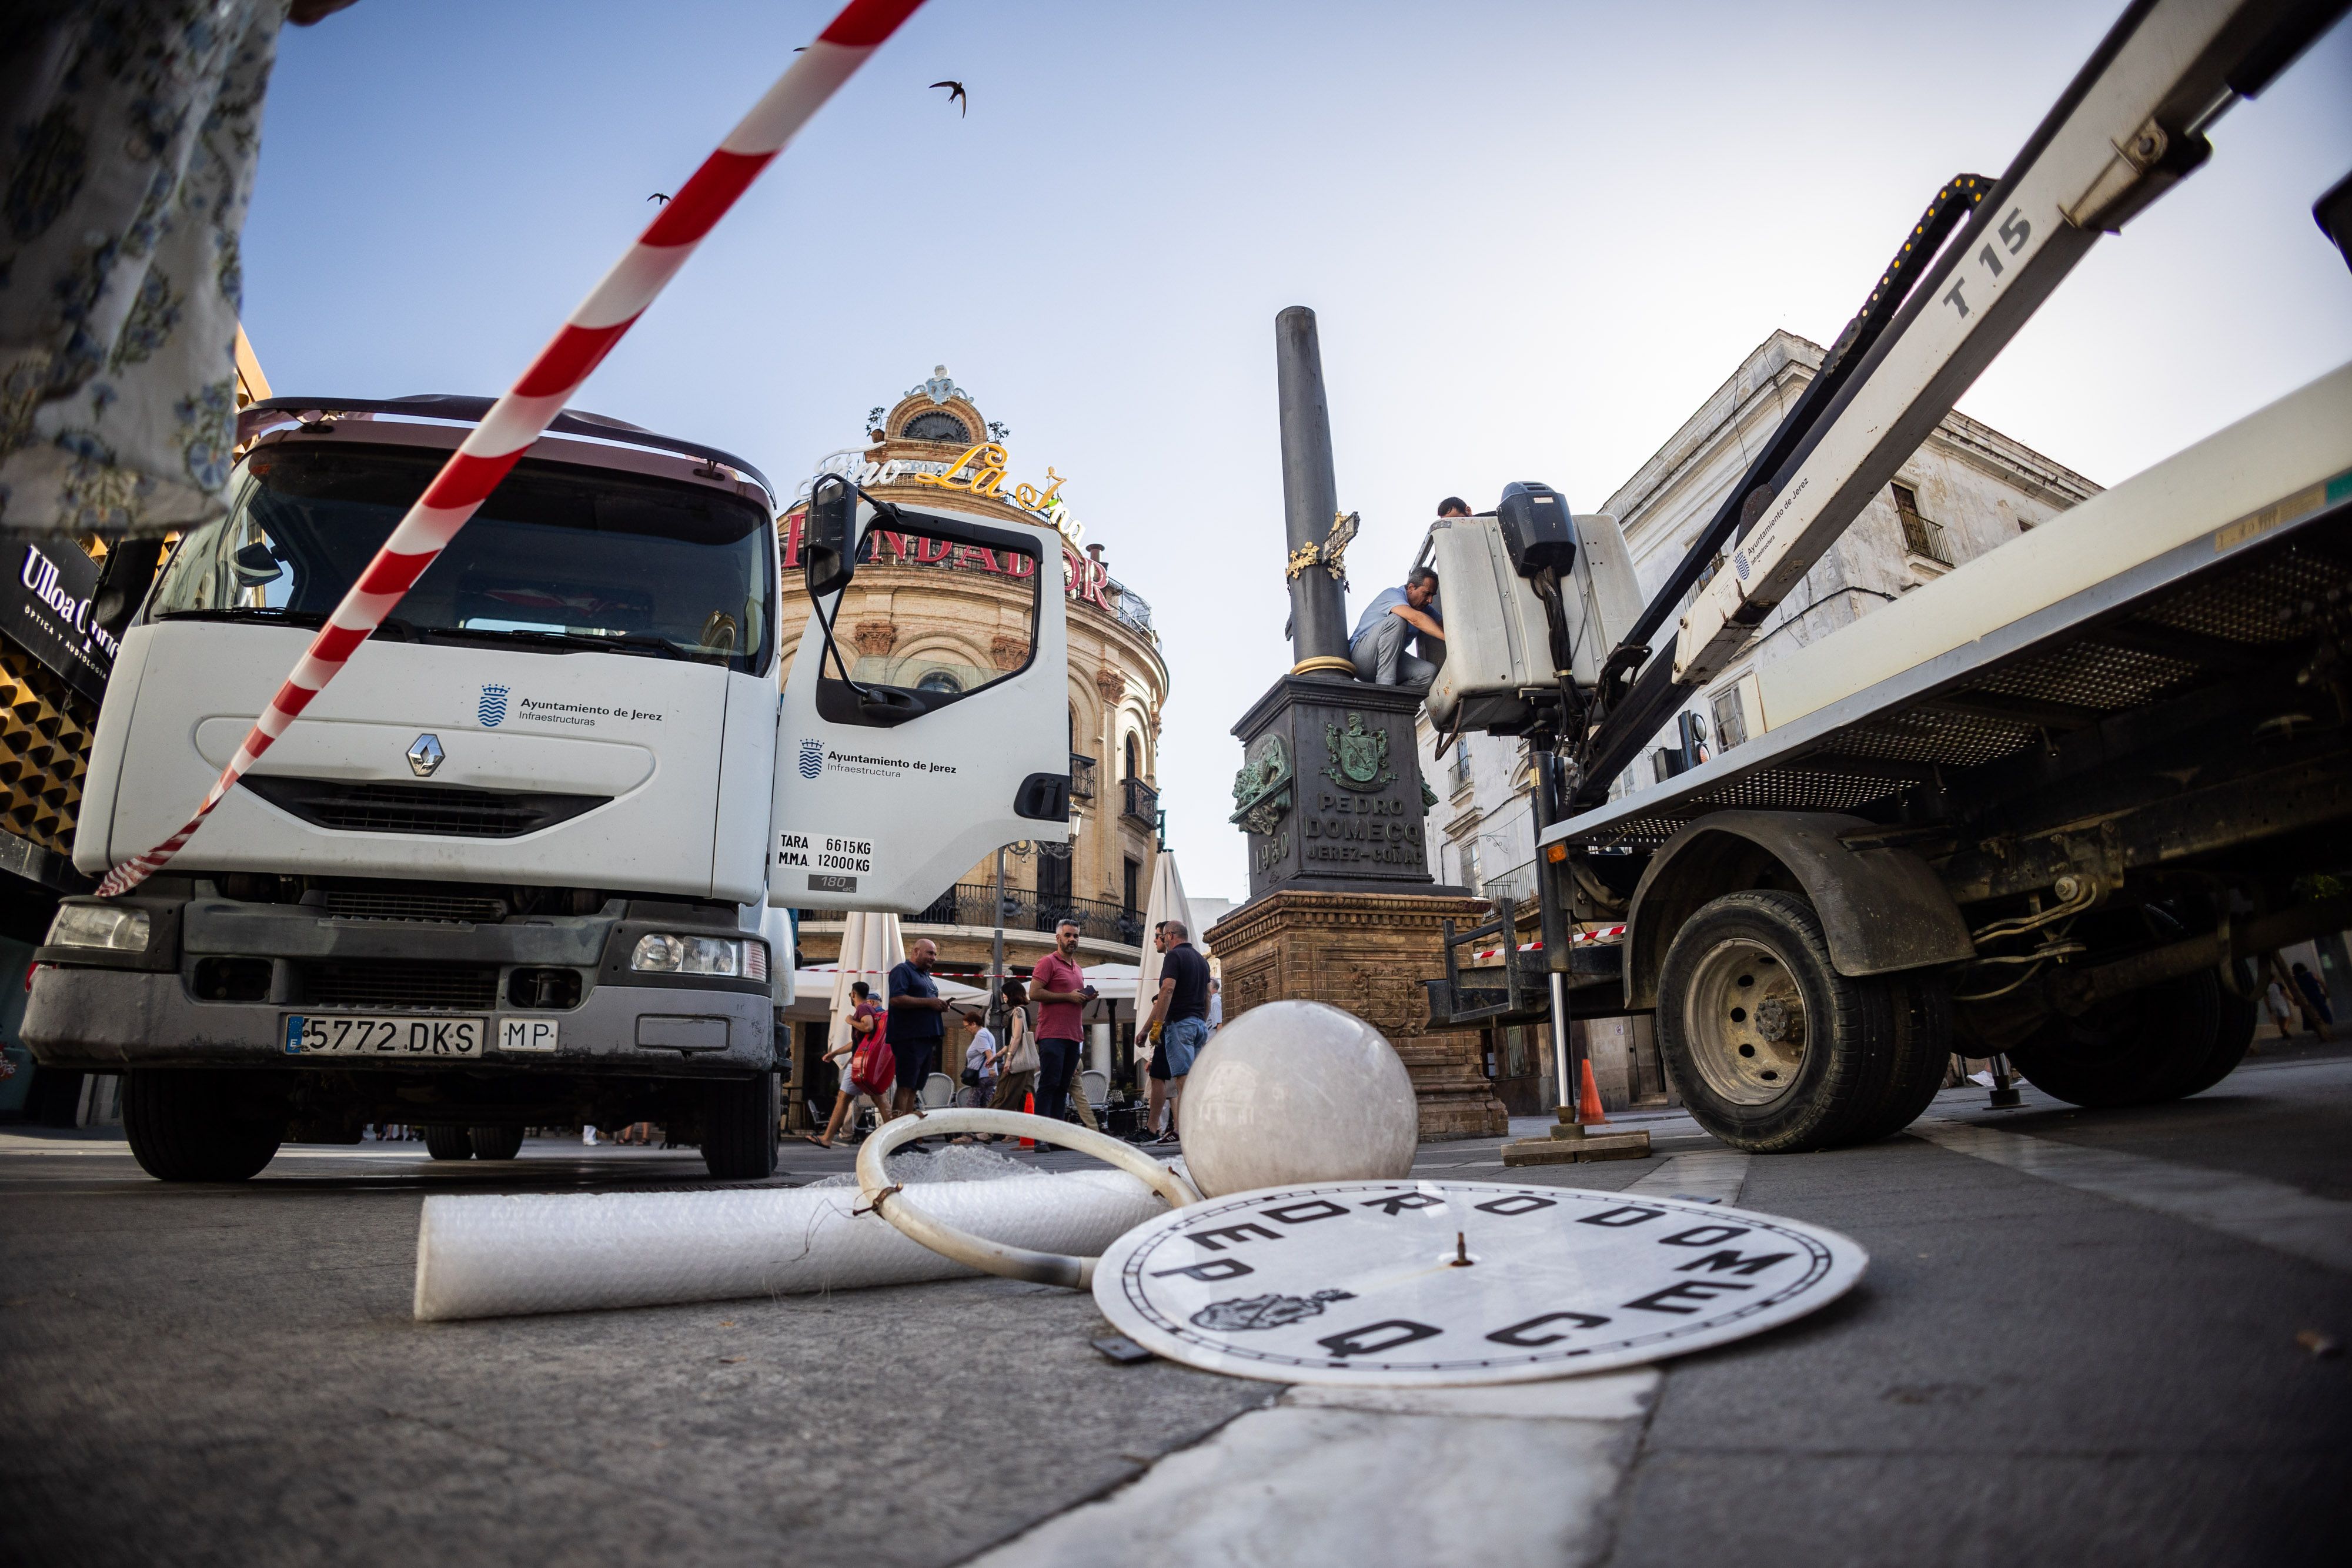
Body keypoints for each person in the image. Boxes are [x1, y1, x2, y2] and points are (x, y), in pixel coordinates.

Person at [1141, 920, 1213, 1145]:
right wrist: (1200, 1020)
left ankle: (1185, 1132)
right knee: (1192, 1078)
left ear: (1170, 936)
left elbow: (1167, 989)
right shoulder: (1202, 961)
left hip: (1179, 1024)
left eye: (1162, 936)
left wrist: (1156, 1027)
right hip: (1198, 1025)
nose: (1160, 939)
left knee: (1184, 1081)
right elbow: (1208, 996)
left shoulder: (1174, 957)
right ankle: (1190, 1129)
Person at [1030, 919, 1096, 1124]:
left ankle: (1057, 1138)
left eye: (1076, 936)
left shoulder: (1078, 969)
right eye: (1068, 935)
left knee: (1063, 1087)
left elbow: (1075, 1003)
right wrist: (1068, 996)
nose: (1072, 939)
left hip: (1074, 1036)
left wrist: (1083, 999)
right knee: (1049, 1084)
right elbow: (1034, 993)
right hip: (1052, 1035)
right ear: (1058, 938)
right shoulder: (1047, 962)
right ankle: (1040, 1136)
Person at [806, 980, 886, 1148]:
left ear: (854, 994)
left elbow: (868, 1027)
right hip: (864, 1060)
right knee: (878, 1099)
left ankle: (828, 1137)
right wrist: (835, 1053)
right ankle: (896, 1137)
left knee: (845, 1098)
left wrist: (851, 1021)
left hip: (859, 1062)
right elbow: (857, 1042)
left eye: (851, 994)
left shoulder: (863, 1008)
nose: (850, 996)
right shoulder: (869, 1009)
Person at [886, 938, 952, 1120]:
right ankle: (898, 1133)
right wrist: (930, 1002)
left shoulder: (926, 977)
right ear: (916, 951)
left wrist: (939, 1005)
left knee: (914, 1087)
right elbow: (896, 999)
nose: (934, 958)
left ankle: (908, 1135)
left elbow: (925, 1003)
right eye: (930, 953)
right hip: (909, 1037)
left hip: (926, 1038)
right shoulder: (902, 970)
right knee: (905, 1085)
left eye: (935, 954)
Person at [1350, 565, 1444, 688]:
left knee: (1428, 673)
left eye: (1433, 596)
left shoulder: (1425, 609)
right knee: (1397, 620)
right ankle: (1385, 690)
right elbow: (1416, 618)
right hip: (1362, 657)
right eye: (1427, 594)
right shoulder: (1392, 594)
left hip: (1390, 661)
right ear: (1411, 588)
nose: (1430, 600)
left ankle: (1395, 700)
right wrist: (1450, 639)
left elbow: (1444, 625)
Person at [987, 979, 1038, 1127]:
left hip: (1017, 1062)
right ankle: (1030, 1131)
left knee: (1004, 1094)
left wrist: (1008, 1060)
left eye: (1005, 994)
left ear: (1011, 994)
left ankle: (989, 1129)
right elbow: (1014, 1041)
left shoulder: (1017, 1012)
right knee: (1026, 1097)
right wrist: (998, 1056)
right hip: (1026, 1063)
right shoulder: (1024, 1011)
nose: (1003, 997)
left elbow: (1016, 1037)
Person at [958, 1010, 998, 1110]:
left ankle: (972, 1125)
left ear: (974, 1024)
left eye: (967, 1026)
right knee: (986, 1104)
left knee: (972, 1104)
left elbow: (988, 1052)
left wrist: (991, 1069)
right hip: (988, 1076)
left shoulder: (981, 1035)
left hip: (982, 1076)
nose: (966, 1029)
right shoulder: (987, 1033)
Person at [2291, 961, 2334, 1040]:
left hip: (2305, 999)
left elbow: (2295, 991)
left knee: (2309, 1015)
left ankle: (2319, 1031)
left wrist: (2296, 1000)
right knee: (2323, 1013)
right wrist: (2326, 992)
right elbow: (2322, 983)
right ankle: (2325, 1030)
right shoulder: (2312, 975)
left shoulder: (2296, 979)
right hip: (2316, 997)